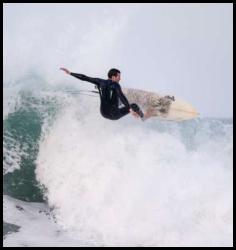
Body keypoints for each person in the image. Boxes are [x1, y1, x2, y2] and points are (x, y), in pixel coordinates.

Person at [60, 67, 144, 120]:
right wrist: (129, 109)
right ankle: (143, 117)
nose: (120, 79)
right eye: (119, 76)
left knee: (112, 95)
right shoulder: (116, 84)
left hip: (103, 113)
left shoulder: (100, 81)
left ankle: (99, 89)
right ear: (113, 77)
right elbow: (121, 96)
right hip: (114, 114)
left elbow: (84, 77)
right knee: (133, 105)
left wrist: (70, 73)